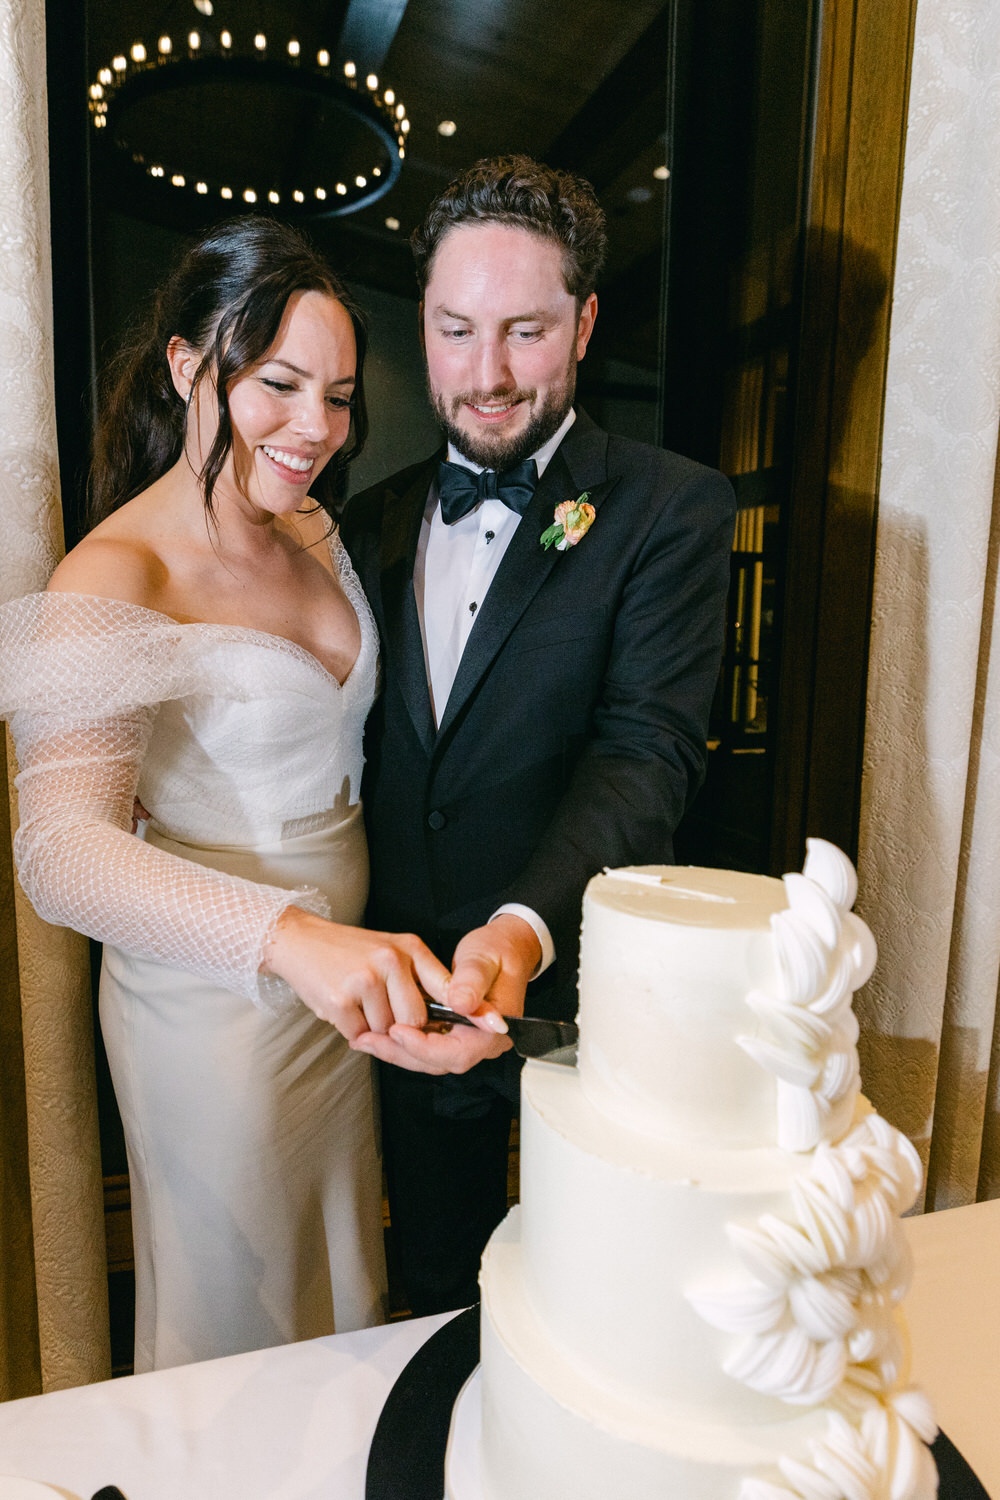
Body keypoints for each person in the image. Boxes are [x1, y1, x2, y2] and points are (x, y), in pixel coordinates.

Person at [0, 218, 475, 1371]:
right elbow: (59, 854)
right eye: (278, 384)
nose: (316, 428)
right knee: (241, 1320)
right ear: (186, 366)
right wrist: (289, 938)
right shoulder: (117, 573)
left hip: (340, 989)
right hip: (215, 1013)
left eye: (341, 395)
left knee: (339, 1288)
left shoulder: (310, 527)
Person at [339, 155, 737, 1315]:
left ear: (584, 325)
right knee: (424, 1292)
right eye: (457, 330)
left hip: (569, 992)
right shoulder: (364, 519)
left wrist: (520, 924)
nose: (487, 374)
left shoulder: (671, 507)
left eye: (525, 330)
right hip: (393, 989)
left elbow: (647, 746)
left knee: (600, 1307)